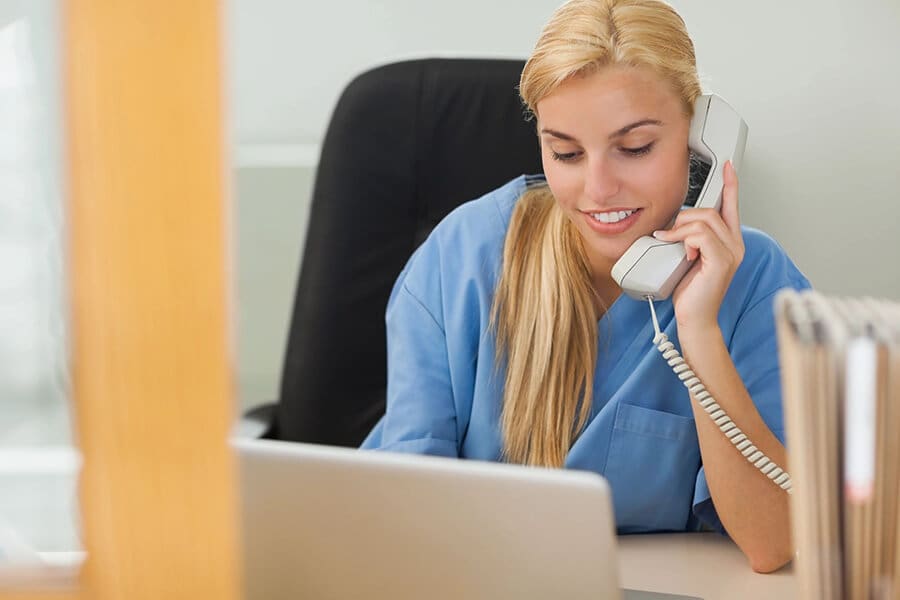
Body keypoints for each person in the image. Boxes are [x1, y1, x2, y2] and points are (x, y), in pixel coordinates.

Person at [360, 0, 809, 573]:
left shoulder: (756, 281)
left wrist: (698, 331)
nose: (598, 189)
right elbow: (403, 513)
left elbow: (774, 544)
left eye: (635, 148)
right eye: (566, 153)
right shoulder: (462, 257)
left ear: (701, 141)